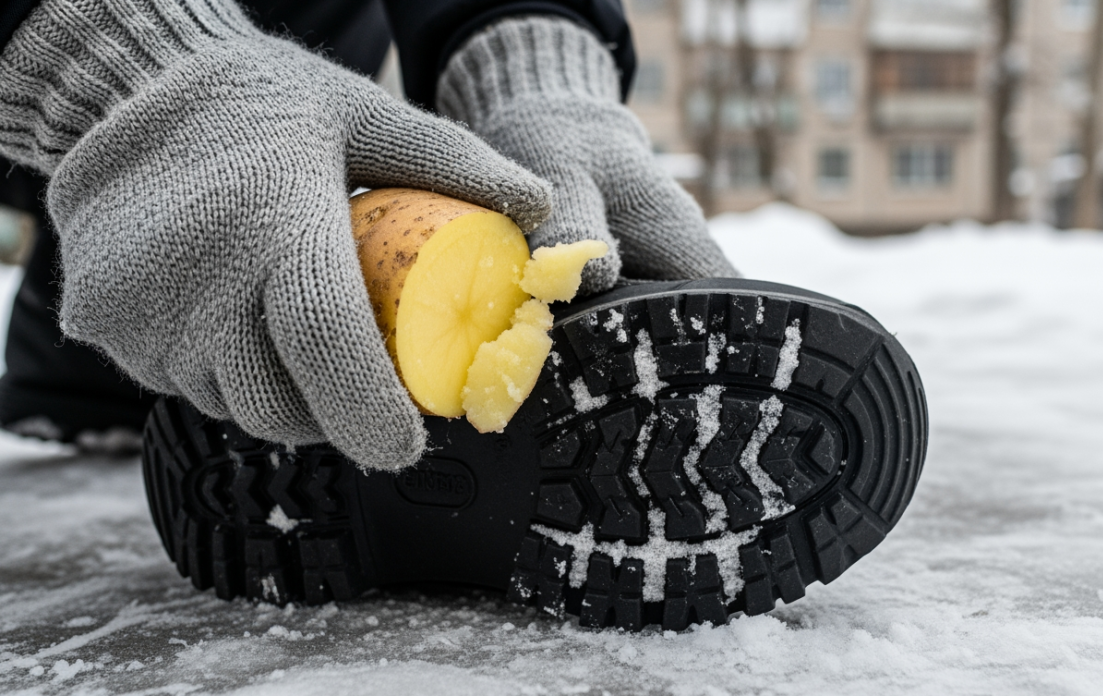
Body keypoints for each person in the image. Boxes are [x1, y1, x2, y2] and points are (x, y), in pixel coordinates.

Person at [0, 0, 927, 629]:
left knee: (271, 243)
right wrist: (109, 67)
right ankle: (147, 328)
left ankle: (126, 359)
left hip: (276, 75)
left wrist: (528, 56)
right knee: (225, 214)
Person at [0, 0, 736, 467]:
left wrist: (526, 50)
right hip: (61, 129)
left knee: (301, 319)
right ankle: (93, 370)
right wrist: (108, 62)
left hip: (293, 157)